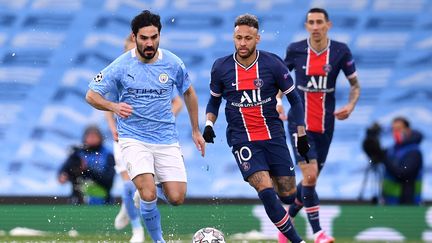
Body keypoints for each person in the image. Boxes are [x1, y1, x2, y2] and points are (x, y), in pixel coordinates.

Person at [86, 10, 205, 243]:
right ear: (135, 37)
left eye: (154, 37)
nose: (149, 43)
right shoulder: (121, 65)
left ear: (159, 35)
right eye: (144, 38)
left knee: (177, 197)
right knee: (149, 193)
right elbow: (91, 95)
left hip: (166, 139)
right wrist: (113, 106)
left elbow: (189, 93)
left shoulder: (172, 63)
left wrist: (195, 129)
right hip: (133, 138)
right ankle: (157, 239)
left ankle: (145, 189)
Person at [202, 14, 308, 243]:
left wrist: (301, 134)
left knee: (288, 194)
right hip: (242, 139)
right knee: (266, 192)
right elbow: (214, 100)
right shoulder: (221, 67)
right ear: (233, 37)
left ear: (257, 39)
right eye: (238, 38)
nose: (242, 43)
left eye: (247, 38)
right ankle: (297, 241)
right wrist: (209, 124)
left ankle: (288, 211)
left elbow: (296, 100)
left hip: (273, 135)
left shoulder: (273, 64)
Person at [277, 8, 360, 243]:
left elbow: (355, 85)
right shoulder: (295, 50)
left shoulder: (341, 51)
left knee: (310, 181)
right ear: (306, 26)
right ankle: (318, 233)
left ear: (328, 25)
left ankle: (287, 220)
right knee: (310, 176)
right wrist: (277, 101)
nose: (315, 26)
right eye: (311, 22)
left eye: (319, 22)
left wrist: (351, 105)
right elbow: (280, 80)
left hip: (326, 125)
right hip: (298, 123)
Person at [106, 34, 184, 243]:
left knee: (150, 189)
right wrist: (113, 127)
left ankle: (134, 205)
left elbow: (178, 102)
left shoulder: (155, 71)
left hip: (155, 136)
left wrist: (163, 118)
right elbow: (106, 102)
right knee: (127, 186)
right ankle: (136, 230)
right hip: (125, 136)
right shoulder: (119, 70)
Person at [363, 117, 423, 205]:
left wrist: (384, 158)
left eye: (399, 129)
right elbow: (375, 156)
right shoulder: (392, 149)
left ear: (408, 130)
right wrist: (371, 139)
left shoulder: (414, 152)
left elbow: (402, 173)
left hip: (407, 203)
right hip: (389, 202)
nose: (396, 132)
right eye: (393, 129)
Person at [58, 125, 116, 205]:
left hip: (102, 198)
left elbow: (108, 179)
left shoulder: (107, 154)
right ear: (84, 138)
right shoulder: (78, 153)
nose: (91, 139)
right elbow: (65, 169)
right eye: (89, 136)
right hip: (78, 197)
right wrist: (63, 175)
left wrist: (87, 169)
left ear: (100, 138)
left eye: (94, 136)